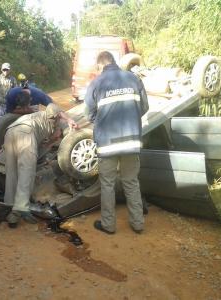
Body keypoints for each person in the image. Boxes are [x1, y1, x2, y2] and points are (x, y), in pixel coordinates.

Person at [84, 51, 149, 235]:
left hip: (107, 144)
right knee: (131, 182)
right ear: (114, 61)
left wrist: (104, 121)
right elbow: (144, 107)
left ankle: (108, 225)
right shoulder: (133, 78)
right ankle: (137, 224)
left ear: (100, 66)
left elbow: (89, 114)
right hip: (131, 142)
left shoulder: (96, 83)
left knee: (107, 185)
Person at [4, 103, 78, 228]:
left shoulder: (42, 128)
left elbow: (40, 150)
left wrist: (51, 141)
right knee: (27, 172)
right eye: (59, 135)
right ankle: (22, 208)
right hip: (25, 132)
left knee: (12, 173)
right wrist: (69, 120)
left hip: (10, 132)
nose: (58, 137)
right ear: (58, 126)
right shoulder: (49, 117)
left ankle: (10, 210)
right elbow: (52, 107)